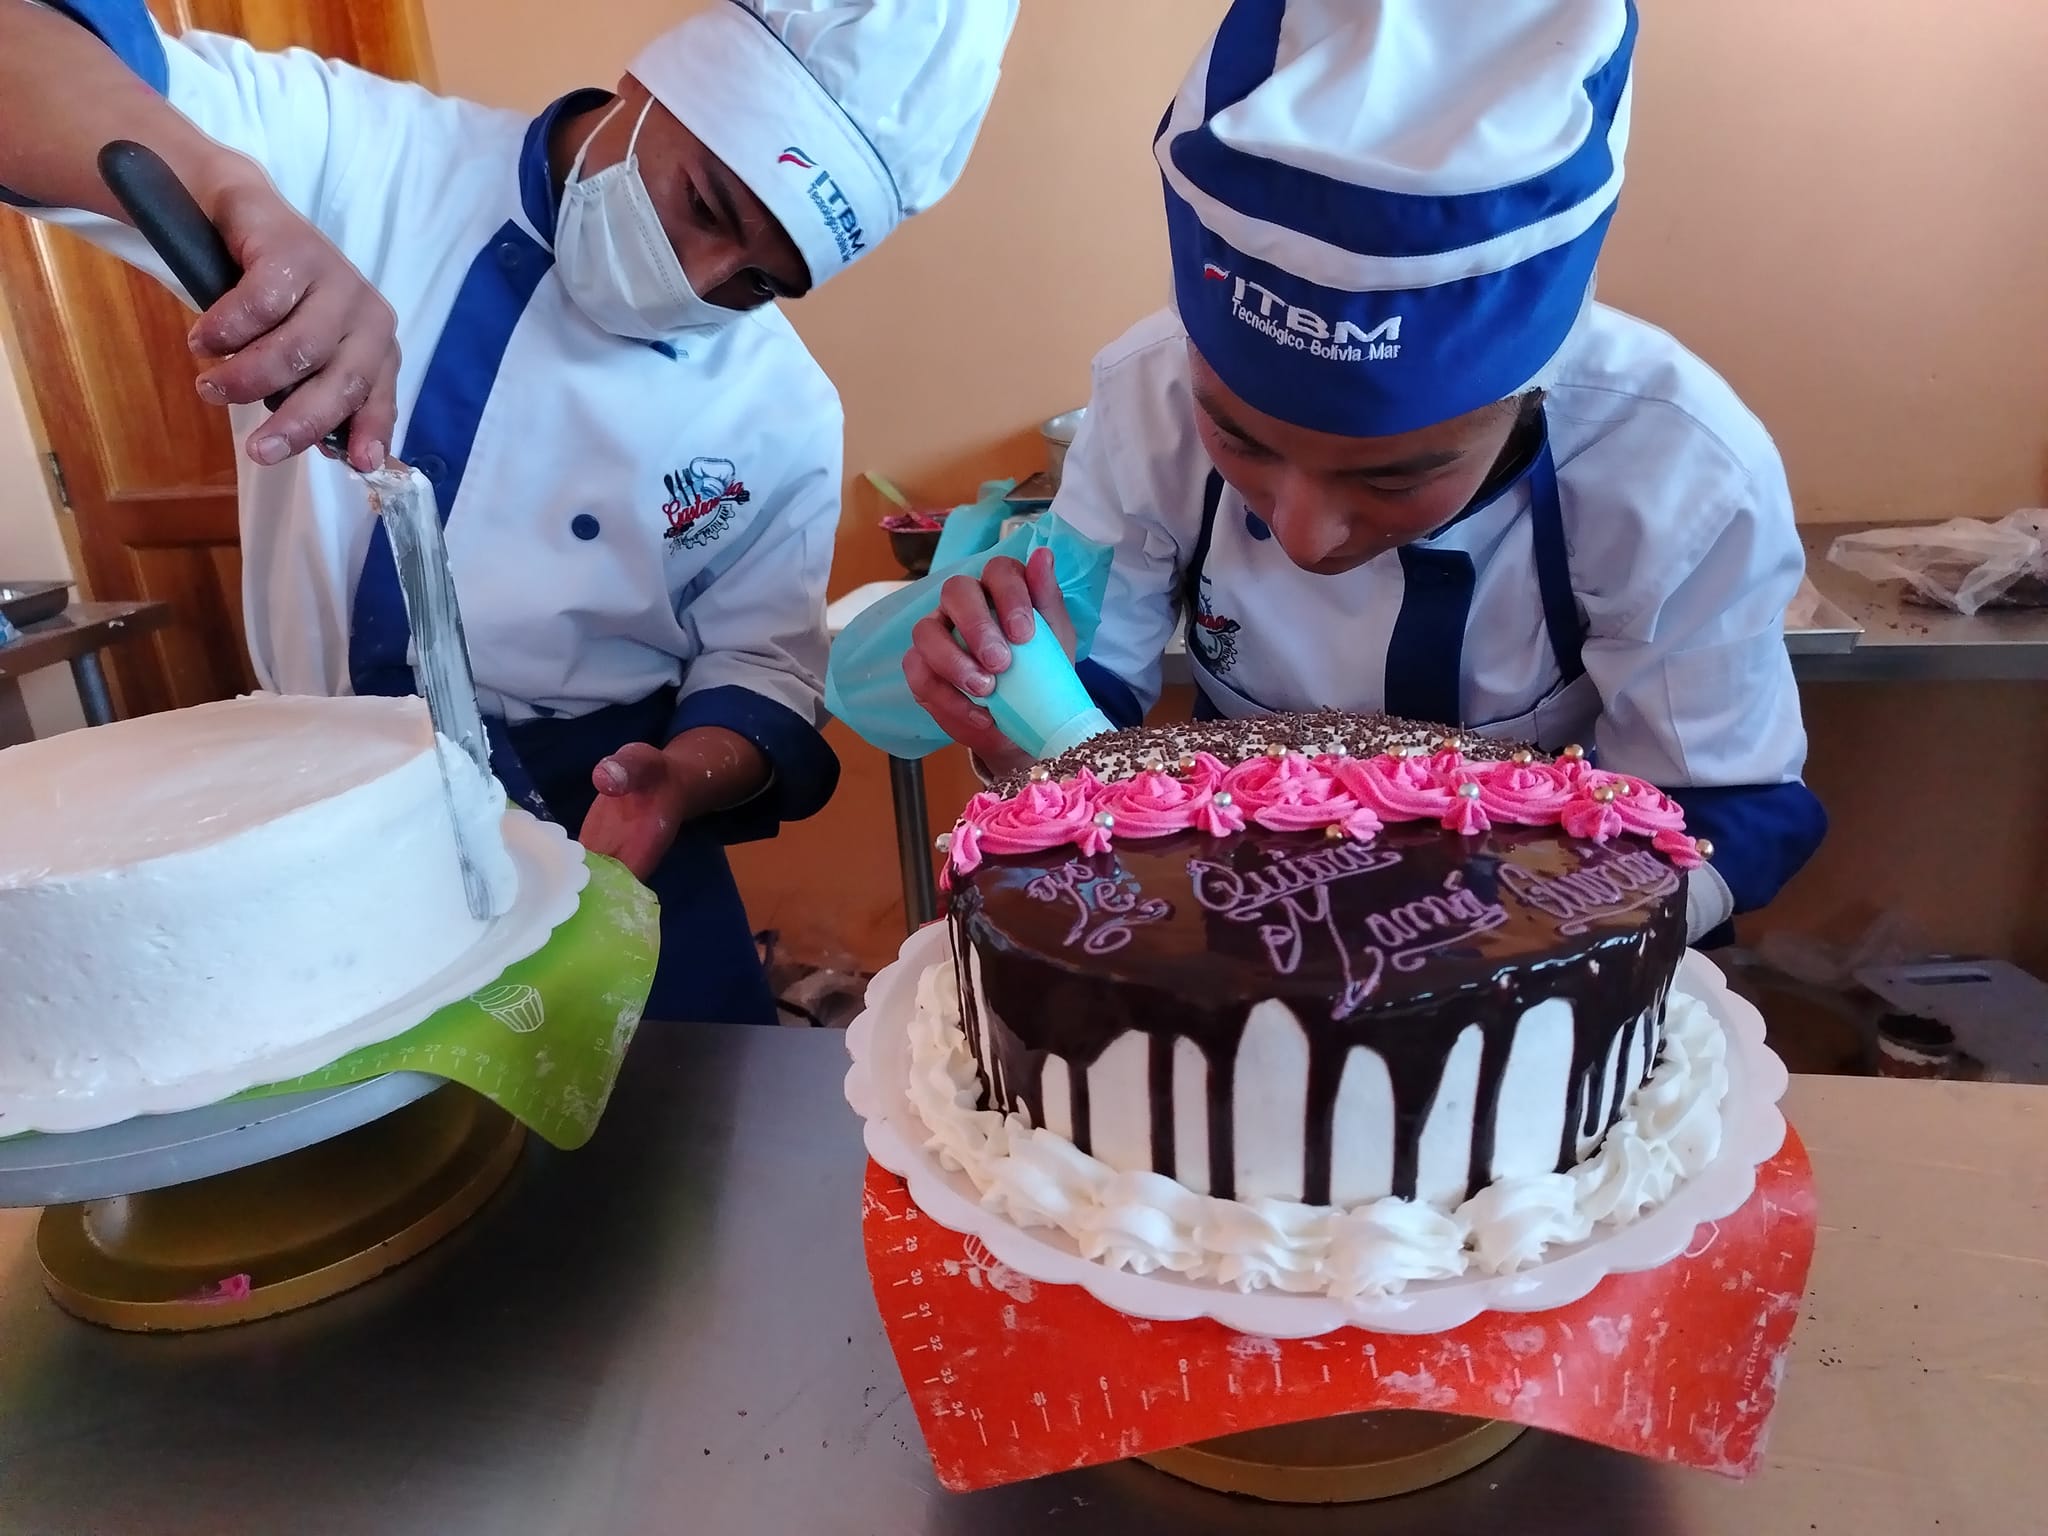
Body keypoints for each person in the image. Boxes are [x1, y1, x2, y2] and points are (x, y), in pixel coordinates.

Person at [0, 0, 1017, 1021]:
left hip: (609, 825)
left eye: (756, 282)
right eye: (706, 207)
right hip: (323, 817)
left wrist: (679, 778)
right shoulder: (359, 152)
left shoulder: (778, 409)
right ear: (649, 86)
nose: (703, 278)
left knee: (672, 1156)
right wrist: (225, 187)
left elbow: (763, 664)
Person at [898, 0, 1823, 946]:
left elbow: (1723, 808)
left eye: (1391, 479)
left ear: (1532, 391)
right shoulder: (1143, 400)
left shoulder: (1676, 463)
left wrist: (1535, 968)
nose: (1303, 536)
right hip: (1234, 937)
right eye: (1244, 443)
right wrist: (1024, 724)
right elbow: (1095, 718)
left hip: (1536, 953)